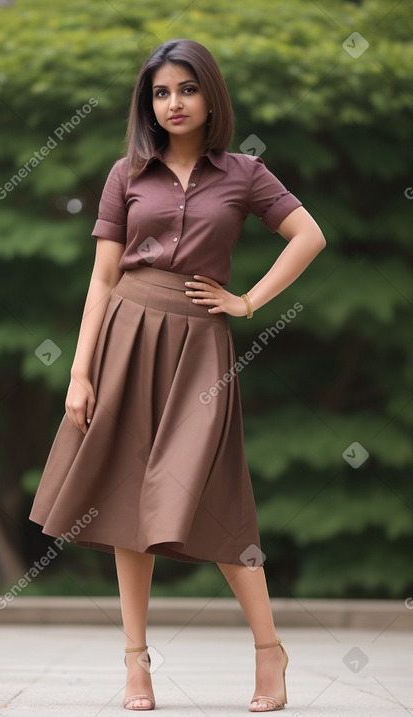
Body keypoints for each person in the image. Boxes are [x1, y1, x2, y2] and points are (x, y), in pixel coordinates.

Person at [29, 38, 326, 712]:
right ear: (148, 102)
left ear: (210, 94)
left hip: (201, 349)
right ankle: (137, 665)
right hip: (125, 337)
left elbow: (309, 235)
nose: (173, 104)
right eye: (161, 92)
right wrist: (80, 371)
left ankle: (268, 649)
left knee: (218, 494)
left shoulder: (246, 173)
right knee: (125, 498)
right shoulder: (127, 173)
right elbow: (104, 276)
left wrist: (248, 300)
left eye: (186, 89)